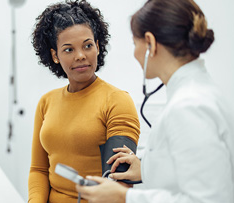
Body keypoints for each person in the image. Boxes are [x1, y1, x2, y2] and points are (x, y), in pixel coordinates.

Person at [76, 0, 234, 202]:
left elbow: (209, 199)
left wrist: (125, 197)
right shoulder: (198, 93)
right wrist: (147, 169)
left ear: (150, 42)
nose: (135, 53)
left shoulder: (189, 107)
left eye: (135, 43)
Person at [28, 1, 141, 202]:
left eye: (88, 46)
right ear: (55, 55)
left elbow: (119, 181)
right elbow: (38, 169)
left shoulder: (117, 101)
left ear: (97, 47)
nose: (81, 56)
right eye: (69, 49)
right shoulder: (46, 102)